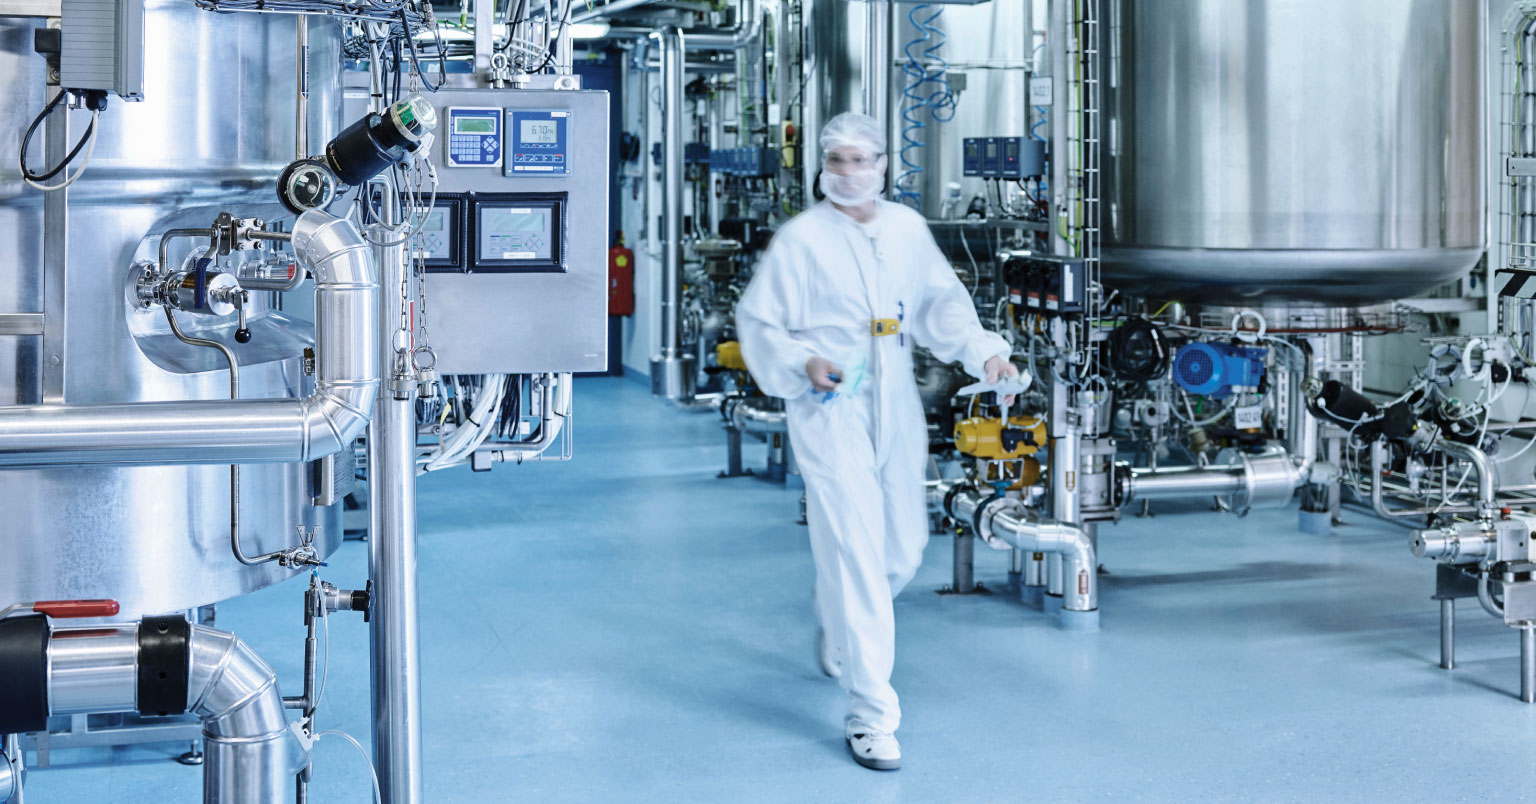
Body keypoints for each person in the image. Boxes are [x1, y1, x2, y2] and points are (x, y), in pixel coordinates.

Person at [735, 111, 1023, 771]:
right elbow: (759, 321)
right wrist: (803, 363)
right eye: (838, 160)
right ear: (822, 168)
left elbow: (939, 306)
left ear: (884, 165)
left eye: (863, 160)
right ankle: (871, 716)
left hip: (895, 397)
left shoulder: (906, 229)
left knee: (902, 550)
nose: (851, 172)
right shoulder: (802, 241)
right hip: (830, 405)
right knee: (860, 554)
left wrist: (985, 355)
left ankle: (835, 615)